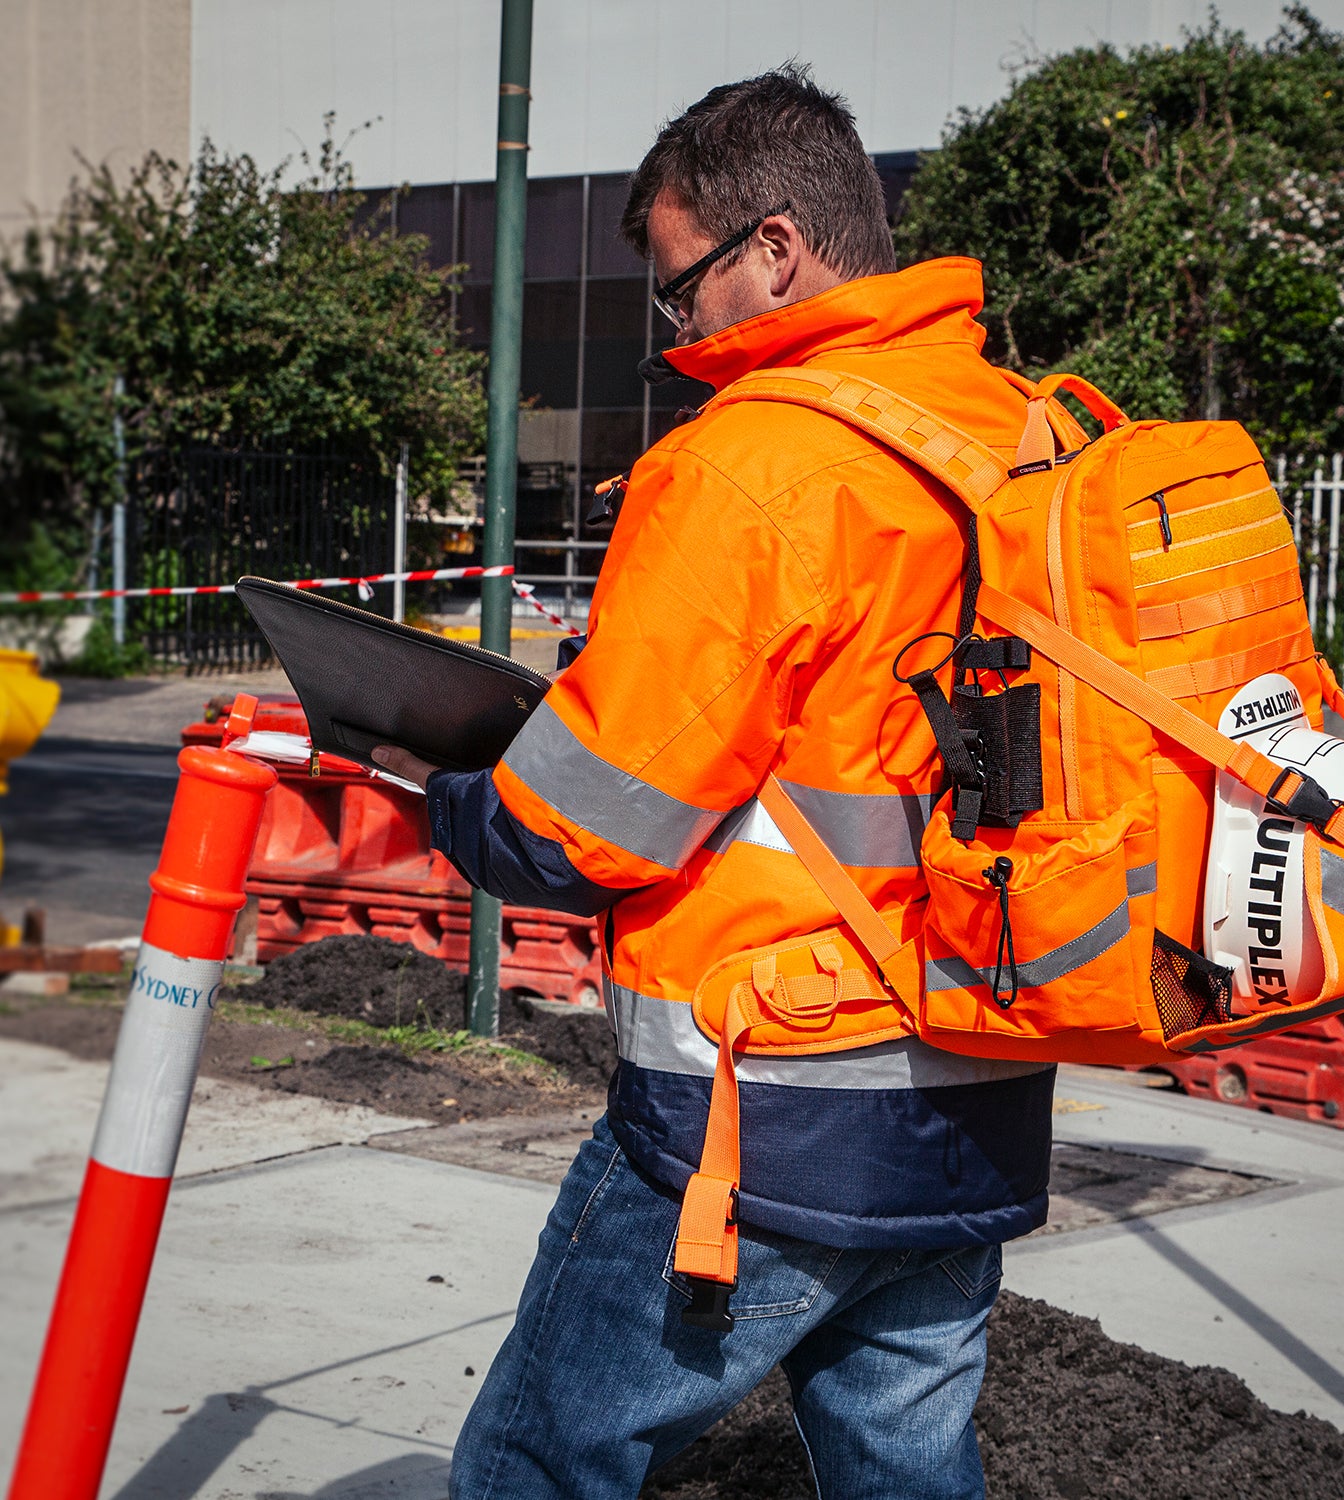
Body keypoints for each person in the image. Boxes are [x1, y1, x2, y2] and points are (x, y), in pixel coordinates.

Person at [375, 65, 1056, 1500]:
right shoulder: (1028, 438)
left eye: (683, 290)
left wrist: (431, 783)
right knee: (906, 1463)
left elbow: (580, 833)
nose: (676, 329)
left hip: (764, 1119)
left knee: (537, 1464)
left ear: (776, 249)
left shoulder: (753, 464)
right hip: (983, 1084)